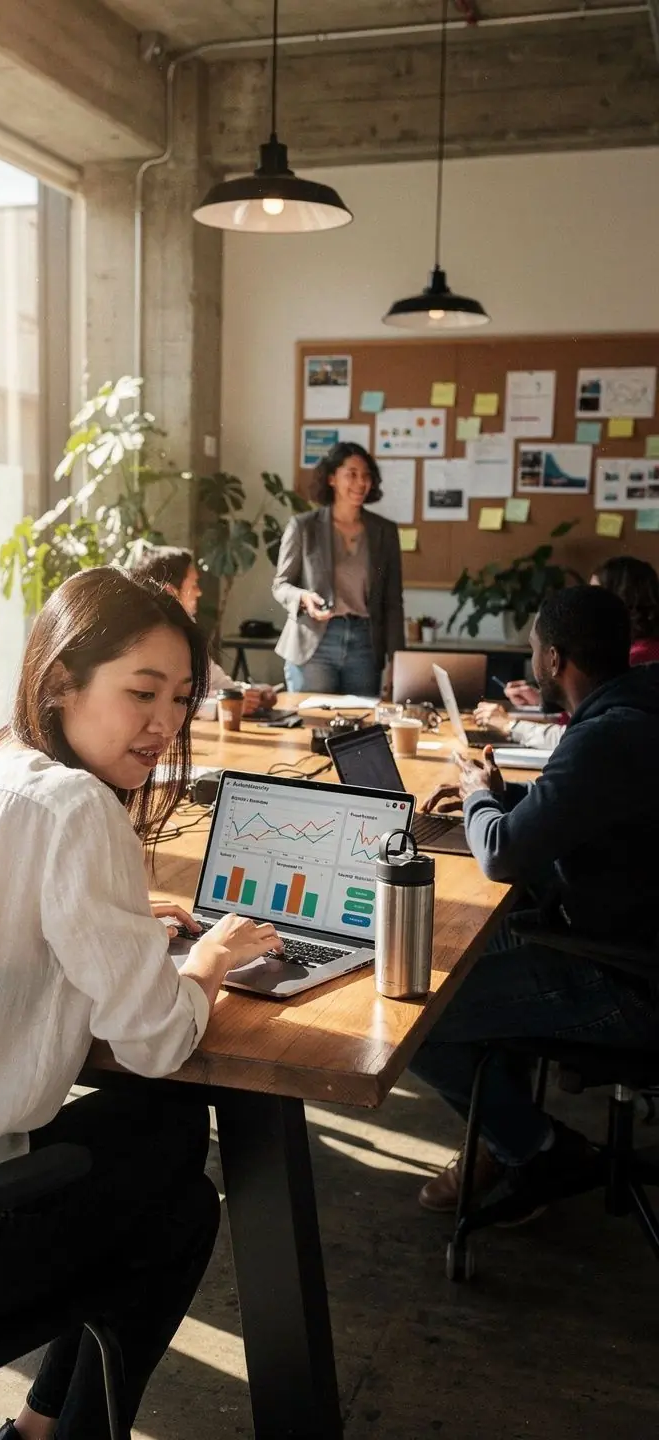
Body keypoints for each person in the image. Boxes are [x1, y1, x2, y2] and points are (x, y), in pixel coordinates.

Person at [0, 567, 283, 1440]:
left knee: (161, 1147)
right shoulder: (78, 807)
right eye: (142, 692)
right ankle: (51, 1435)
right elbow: (156, 1041)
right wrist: (211, 959)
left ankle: (46, 1434)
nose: (166, 723)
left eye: (183, 697)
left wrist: (109, 921)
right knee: (178, 1179)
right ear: (63, 683)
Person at [411, 585, 659, 1219]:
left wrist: (474, 794)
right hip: (623, 938)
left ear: (555, 661)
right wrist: (503, 797)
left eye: (534, 651)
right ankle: (501, 1138)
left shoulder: (607, 735)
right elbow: (589, 812)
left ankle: (534, 1147)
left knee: (419, 1013)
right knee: (460, 942)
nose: (531, 661)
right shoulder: (634, 709)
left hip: (626, 978)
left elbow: (499, 855)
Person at [476, 556, 659, 748]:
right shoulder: (642, 651)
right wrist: (543, 699)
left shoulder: (637, 660)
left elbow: (589, 735)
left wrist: (510, 726)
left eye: (593, 593)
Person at [272, 442, 404, 695]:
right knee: (313, 725)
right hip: (315, 642)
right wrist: (302, 597)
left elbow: (393, 601)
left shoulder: (384, 531)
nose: (360, 482)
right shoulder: (304, 526)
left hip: (365, 644)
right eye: (351, 474)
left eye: (366, 475)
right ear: (332, 478)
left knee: (360, 728)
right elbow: (281, 585)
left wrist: (397, 659)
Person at [130, 545, 278, 715]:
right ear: (169, 591)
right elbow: (166, 702)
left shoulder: (186, 631)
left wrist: (253, 693)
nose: (199, 593)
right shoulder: (145, 640)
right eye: (193, 586)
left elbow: (216, 682)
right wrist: (227, 704)